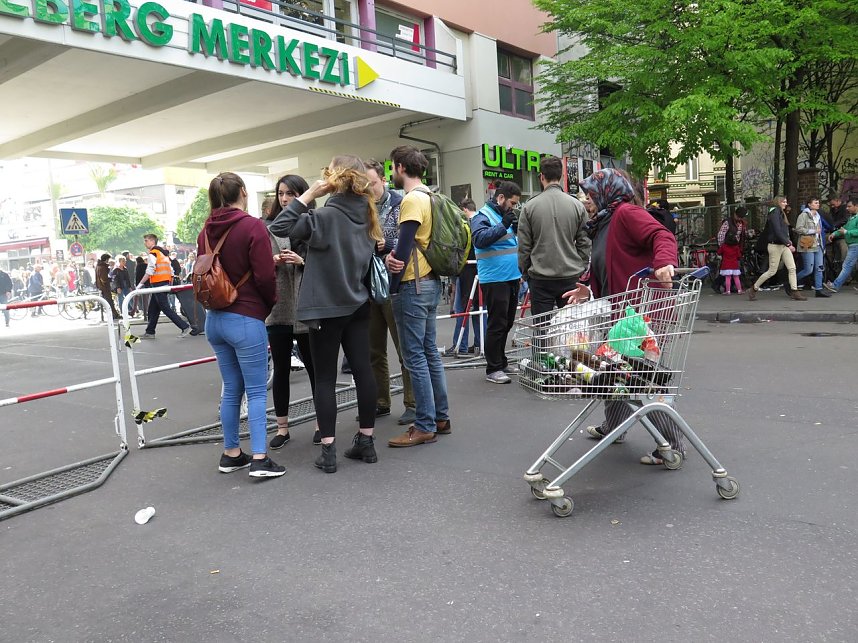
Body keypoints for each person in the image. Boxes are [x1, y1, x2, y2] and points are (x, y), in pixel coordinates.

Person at [564, 168, 686, 465]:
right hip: (619, 312)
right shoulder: (603, 223)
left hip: (639, 313)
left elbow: (662, 234)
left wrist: (664, 263)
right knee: (615, 370)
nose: (586, 200)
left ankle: (672, 444)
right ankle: (614, 426)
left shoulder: (626, 213)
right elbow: (606, 266)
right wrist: (587, 290)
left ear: (608, 192)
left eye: (590, 194)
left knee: (641, 377)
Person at [270, 155, 381, 473]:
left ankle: (329, 449)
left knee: (325, 379)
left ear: (331, 179)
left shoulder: (326, 216)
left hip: (325, 308)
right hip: (358, 302)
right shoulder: (367, 214)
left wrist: (308, 196)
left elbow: (279, 226)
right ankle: (366, 441)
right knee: (363, 371)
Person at [198, 172, 284, 478]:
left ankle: (231, 453)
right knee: (257, 391)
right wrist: (268, 303)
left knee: (232, 389)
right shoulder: (252, 226)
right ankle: (260, 458)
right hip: (246, 318)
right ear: (243, 193)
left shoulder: (206, 230)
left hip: (215, 319)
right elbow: (264, 276)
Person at [384, 145, 451, 447]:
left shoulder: (411, 200)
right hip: (432, 281)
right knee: (429, 353)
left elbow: (403, 248)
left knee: (415, 357)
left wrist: (393, 283)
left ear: (399, 167)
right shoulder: (432, 195)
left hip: (413, 284)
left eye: (392, 168)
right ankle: (440, 416)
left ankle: (424, 424)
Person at [264, 174, 319, 449]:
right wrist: (270, 261)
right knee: (282, 369)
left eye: (291, 193)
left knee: (314, 367)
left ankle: (323, 422)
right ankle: (282, 427)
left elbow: (325, 262)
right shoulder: (267, 227)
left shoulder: (316, 222)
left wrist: (302, 260)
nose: (284, 199)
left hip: (307, 306)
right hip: (279, 306)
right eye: (281, 193)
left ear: (304, 195)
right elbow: (257, 265)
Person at [360, 159, 417, 424]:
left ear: (382, 179)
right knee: (374, 350)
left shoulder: (401, 202)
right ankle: (381, 400)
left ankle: (412, 403)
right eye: (363, 184)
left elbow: (414, 239)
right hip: (368, 286)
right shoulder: (360, 208)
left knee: (404, 347)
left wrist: (389, 243)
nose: (367, 188)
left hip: (395, 283)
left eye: (370, 183)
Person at [517, 155, 591, 318]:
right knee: (572, 331)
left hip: (540, 277)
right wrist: (581, 265)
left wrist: (525, 271)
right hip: (570, 275)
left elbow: (524, 246)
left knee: (542, 331)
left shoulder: (529, 207)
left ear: (541, 177)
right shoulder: (578, 206)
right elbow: (584, 241)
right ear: (562, 176)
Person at [470, 180, 522, 384]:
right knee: (497, 323)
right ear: (500, 198)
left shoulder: (503, 216)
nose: (514, 207)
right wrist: (504, 225)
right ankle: (493, 368)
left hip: (510, 276)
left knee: (507, 322)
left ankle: (501, 361)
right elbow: (480, 240)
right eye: (512, 203)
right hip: (494, 278)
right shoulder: (482, 216)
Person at [748, 197, 806, 301]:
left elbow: (782, 231)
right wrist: (788, 243)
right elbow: (777, 231)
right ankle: (754, 288)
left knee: (792, 268)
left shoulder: (780, 213)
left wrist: (787, 242)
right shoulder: (774, 213)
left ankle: (794, 291)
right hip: (775, 245)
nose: (786, 203)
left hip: (783, 245)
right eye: (783, 202)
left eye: (786, 201)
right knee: (772, 271)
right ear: (777, 203)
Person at [448, 198, 485, 357]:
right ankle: (480, 343)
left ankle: (460, 344)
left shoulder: (463, 226)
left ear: (463, 209)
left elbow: (457, 251)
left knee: (461, 310)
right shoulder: (483, 222)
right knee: (479, 309)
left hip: (465, 272)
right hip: (481, 272)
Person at [137, 234, 191, 338]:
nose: (145, 243)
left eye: (146, 240)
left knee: (165, 308)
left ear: (152, 241)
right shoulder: (163, 253)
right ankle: (150, 331)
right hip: (163, 283)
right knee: (154, 308)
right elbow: (170, 270)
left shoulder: (153, 253)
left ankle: (184, 326)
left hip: (158, 283)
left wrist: (140, 284)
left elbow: (149, 271)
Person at [794, 197, 831, 298]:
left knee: (819, 268)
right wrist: (813, 231)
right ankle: (792, 281)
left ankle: (819, 290)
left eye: (818, 203)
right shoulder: (803, 215)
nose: (818, 204)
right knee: (808, 269)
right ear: (809, 205)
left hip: (818, 245)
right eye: (815, 203)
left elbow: (822, 231)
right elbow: (798, 229)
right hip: (808, 245)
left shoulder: (818, 216)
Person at [824, 197, 858, 293]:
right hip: (853, 244)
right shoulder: (852, 218)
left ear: (856, 206)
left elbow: (847, 230)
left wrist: (847, 232)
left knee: (846, 265)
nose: (847, 208)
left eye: (849, 206)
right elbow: (844, 228)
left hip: (855, 245)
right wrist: (834, 234)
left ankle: (835, 285)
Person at [717, 228, 743, 294]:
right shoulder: (736, 247)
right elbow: (739, 255)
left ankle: (728, 291)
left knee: (728, 278)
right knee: (736, 277)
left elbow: (719, 252)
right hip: (734, 264)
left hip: (726, 264)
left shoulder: (724, 246)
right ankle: (739, 290)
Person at [95, 253, 122, 320]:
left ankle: (114, 314)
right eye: (108, 259)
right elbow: (104, 279)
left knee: (108, 302)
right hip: (105, 287)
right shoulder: (102, 267)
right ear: (106, 259)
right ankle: (114, 315)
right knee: (109, 302)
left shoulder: (98, 266)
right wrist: (110, 279)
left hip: (101, 287)